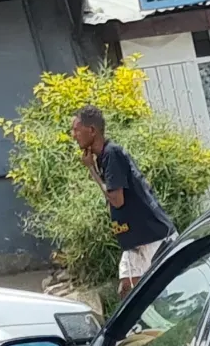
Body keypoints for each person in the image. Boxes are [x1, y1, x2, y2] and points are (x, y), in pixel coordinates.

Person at [69, 105, 175, 297]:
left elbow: (116, 200)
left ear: (92, 130)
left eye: (76, 129)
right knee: (126, 290)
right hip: (135, 238)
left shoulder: (111, 154)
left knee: (158, 296)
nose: (73, 135)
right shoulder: (103, 157)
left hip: (152, 237)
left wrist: (92, 171)